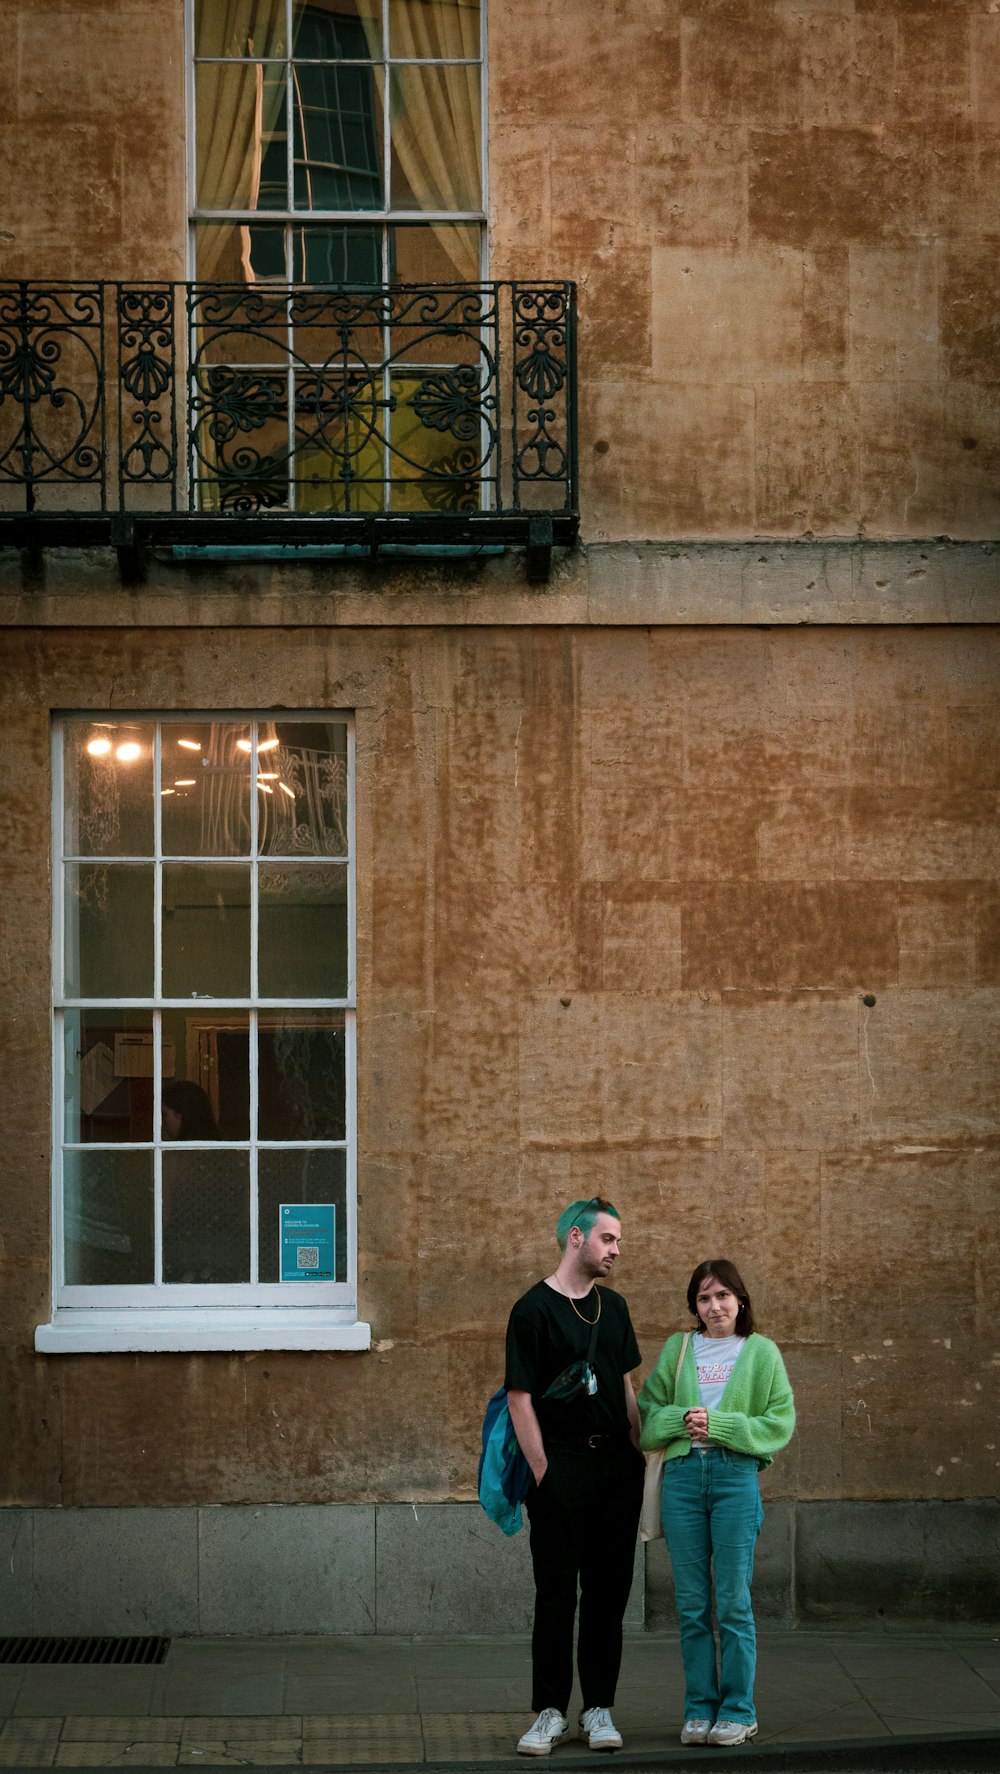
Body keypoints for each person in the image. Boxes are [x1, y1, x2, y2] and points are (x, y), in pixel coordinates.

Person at [505, 1197, 644, 1756]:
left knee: (609, 1595)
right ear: (576, 1239)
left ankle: (598, 1710)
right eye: (608, 1239)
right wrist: (544, 1473)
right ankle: (549, 1712)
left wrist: (639, 1453)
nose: (616, 1250)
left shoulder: (616, 1308)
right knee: (557, 1594)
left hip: (616, 1467)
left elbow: (626, 1387)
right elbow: (520, 1397)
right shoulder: (532, 1310)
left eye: (618, 1242)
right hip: (561, 1467)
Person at [637, 1260, 795, 1748]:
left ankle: (738, 1710)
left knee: (732, 1601)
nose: (715, 1306)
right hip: (683, 1480)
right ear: (695, 1306)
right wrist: (683, 1419)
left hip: (734, 1478)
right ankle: (699, 1708)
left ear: (741, 1301)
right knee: (690, 1605)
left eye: (724, 1295)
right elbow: (647, 1412)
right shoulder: (678, 1349)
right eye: (704, 1298)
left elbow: (779, 1422)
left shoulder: (761, 1352)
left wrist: (722, 1426)